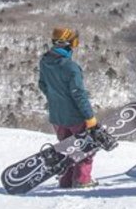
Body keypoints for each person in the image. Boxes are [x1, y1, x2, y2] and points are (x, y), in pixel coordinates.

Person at [38, 27, 98, 189]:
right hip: (75, 116)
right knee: (85, 148)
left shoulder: (45, 61)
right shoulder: (71, 67)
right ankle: (82, 180)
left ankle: (65, 180)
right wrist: (90, 117)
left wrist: (56, 98)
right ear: (68, 44)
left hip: (57, 116)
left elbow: (42, 85)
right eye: (74, 42)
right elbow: (79, 94)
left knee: (66, 148)